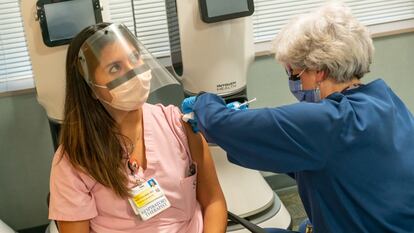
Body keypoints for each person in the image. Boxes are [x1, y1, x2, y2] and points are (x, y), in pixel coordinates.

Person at [181, 3, 414, 233]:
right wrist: (269, 140)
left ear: (319, 71)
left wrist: (204, 101)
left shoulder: (328, 121)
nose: (294, 82)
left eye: (294, 73)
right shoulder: (384, 100)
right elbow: (330, 160)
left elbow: (221, 125)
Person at [48, 23, 227, 233]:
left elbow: (214, 203)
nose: (133, 72)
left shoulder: (178, 125)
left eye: (134, 58)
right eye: (115, 68)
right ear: (90, 88)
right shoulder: (74, 162)